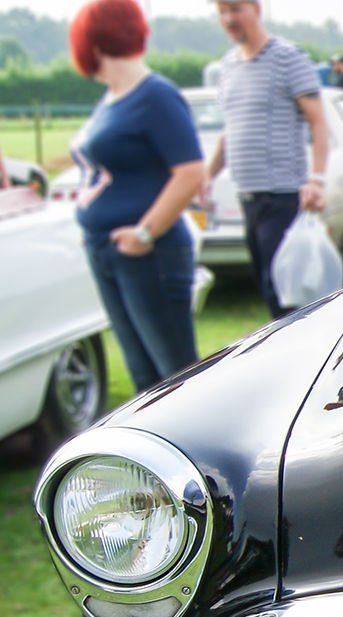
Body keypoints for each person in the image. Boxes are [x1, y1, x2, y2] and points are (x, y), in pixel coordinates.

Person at [67, 0, 205, 393]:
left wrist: (144, 234)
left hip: (149, 254)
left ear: (92, 41)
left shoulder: (155, 95)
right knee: (144, 378)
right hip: (108, 250)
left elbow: (190, 171)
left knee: (174, 378)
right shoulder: (112, 98)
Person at [206, 0, 328, 318]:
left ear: (256, 9)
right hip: (249, 196)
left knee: (287, 296)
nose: (229, 18)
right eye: (222, 11)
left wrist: (317, 180)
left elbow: (318, 121)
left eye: (235, 8)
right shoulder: (227, 66)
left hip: (283, 196)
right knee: (267, 289)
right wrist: (206, 177)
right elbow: (229, 131)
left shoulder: (288, 58)